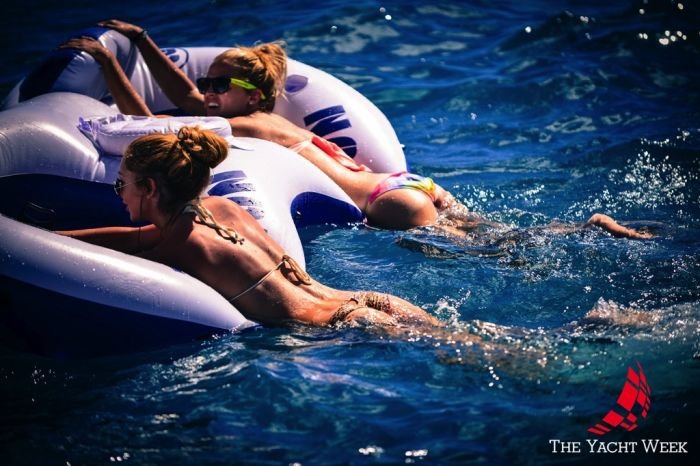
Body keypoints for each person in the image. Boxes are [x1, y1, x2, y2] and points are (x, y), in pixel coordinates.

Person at [61, 21, 652, 238]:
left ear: (252, 93)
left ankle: (590, 236)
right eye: (206, 84)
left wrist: (110, 63)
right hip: (407, 184)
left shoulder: (243, 123)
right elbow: (188, 98)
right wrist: (142, 41)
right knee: (511, 239)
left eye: (219, 85)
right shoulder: (267, 118)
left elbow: (150, 122)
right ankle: (588, 226)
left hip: (384, 203)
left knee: (502, 259)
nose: (207, 94)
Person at [57, 127, 439, 328]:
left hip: (339, 326)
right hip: (369, 302)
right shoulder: (220, 209)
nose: (120, 193)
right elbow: (135, 238)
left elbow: (124, 256)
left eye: (121, 184)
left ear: (150, 188)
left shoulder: (178, 245)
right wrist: (54, 238)